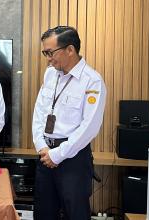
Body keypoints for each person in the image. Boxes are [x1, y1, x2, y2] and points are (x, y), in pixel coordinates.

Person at [32, 26, 106, 219]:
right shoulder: (50, 73)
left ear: (70, 49)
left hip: (73, 158)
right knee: (43, 213)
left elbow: (89, 127)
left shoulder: (92, 81)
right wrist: (41, 145)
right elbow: (39, 111)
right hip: (45, 155)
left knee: (76, 214)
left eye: (50, 52)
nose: (48, 58)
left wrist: (58, 154)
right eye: (45, 53)